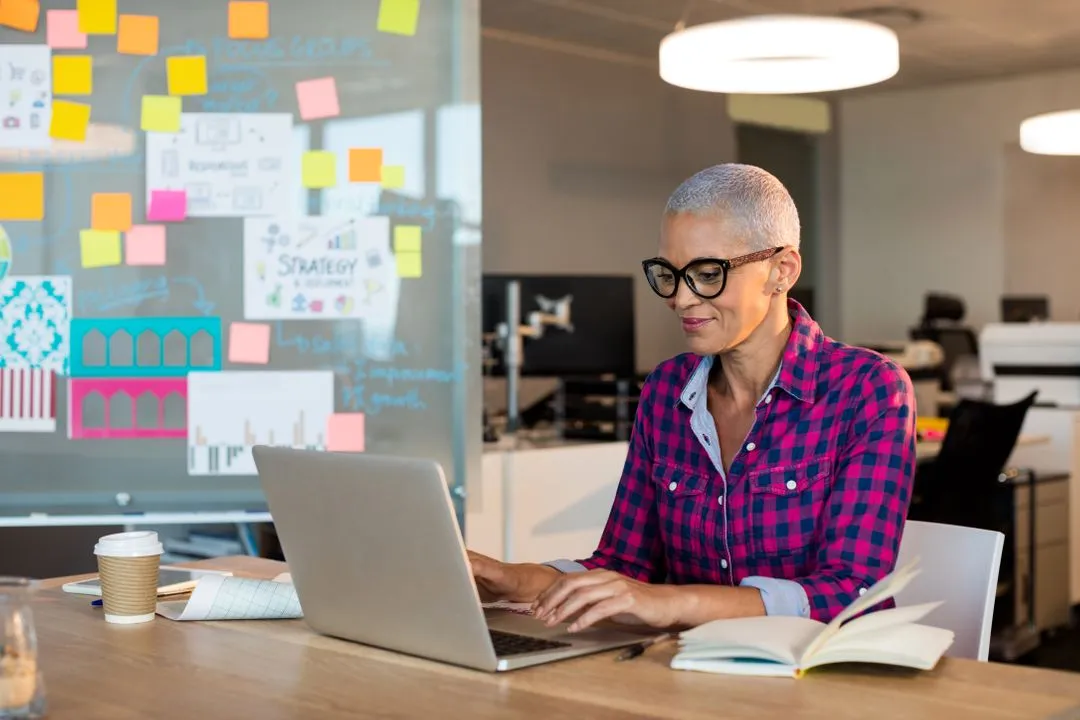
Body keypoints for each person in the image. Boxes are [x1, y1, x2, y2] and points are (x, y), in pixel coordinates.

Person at [469, 163, 916, 633]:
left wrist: (672, 603)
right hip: (684, 676)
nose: (680, 299)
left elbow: (854, 592)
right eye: (668, 274)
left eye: (706, 273)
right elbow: (624, 565)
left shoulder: (868, 389)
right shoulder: (665, 391)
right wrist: (512, 580)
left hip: (810, 686)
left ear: (780, 270)